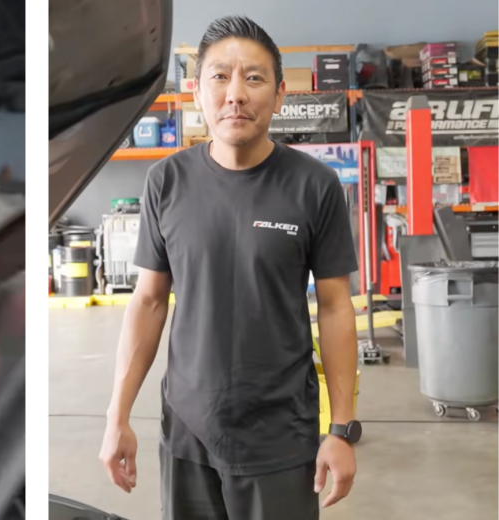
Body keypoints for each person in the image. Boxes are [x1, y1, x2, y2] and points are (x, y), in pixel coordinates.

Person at [99, 15, 361, 520]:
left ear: (280, 95)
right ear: (198, 91)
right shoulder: (166, 182)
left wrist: (342, 429)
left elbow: (334, 307)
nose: (236, 94)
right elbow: (148, 302)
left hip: (281, 434)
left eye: (254, 78)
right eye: (220, 76)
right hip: (187, 432)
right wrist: (118, 415)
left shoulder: (315, 186)